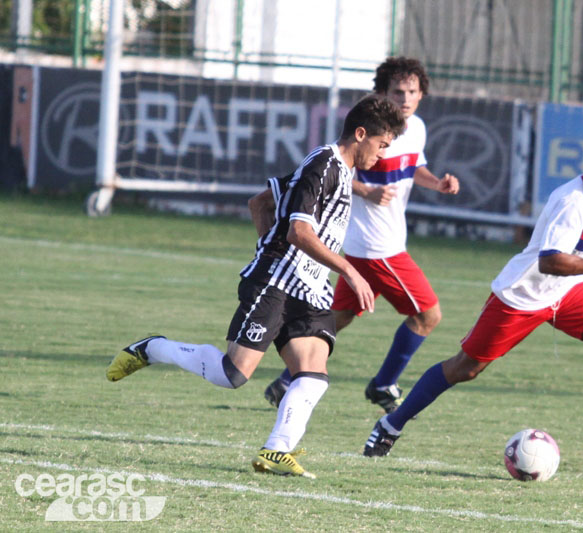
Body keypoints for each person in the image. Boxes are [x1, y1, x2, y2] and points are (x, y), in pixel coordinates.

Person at [107, 95, 406, 479]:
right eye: (382, 145)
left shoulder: (341, 172)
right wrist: (344, 269)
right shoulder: (323, 165)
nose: (382, 154)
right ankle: (154, 348)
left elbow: (260, 202)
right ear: (361, 134)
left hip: (309, 288)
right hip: (276, 283)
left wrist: (270, 240)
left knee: (314, 374)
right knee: (232, 375)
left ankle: (276, 451)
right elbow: (299, 231)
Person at [363, 132, 583, 467]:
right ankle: (390, 425)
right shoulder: (571, 202)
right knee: (465, 368)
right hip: (523, 294)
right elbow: (549, 262)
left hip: (567, 291)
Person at [263, 57, 460, 413]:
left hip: (364, 245)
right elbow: (333, 169)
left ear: (421, 95)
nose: (405, 98)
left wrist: (437, 183)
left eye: (412, 91)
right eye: (397, 91)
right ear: (381, 93)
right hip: (377, 247)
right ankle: (384, 385)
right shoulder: (368, 130)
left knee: (339, 317)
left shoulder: (415, 129)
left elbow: (412, 166)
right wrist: (365, 191)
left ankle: (289, 378)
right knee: (428, 315)